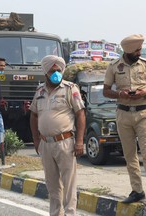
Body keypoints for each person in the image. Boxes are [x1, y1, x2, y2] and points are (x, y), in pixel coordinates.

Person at [103, 34, 146, 208]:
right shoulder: (113, 66)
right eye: (137, 50)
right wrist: (120, 94)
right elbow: (106, 91)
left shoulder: (145, 64)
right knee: (129, 155)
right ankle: (137, 191)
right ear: (128, 51)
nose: (139, 52)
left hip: (143, 113)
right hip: (123, 114)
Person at [29, 55, 86, 216]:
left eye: (59, 70)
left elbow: (80, 114)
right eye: (53, 71)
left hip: (65, 142)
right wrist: (36, 139)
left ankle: (70, 214)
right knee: (52, 185)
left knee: (69, 184)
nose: (57, 74)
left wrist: (80, 141)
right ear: (46, 73)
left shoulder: (70, 89)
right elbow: (33, 115)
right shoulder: (39, 91)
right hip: (46, 143)